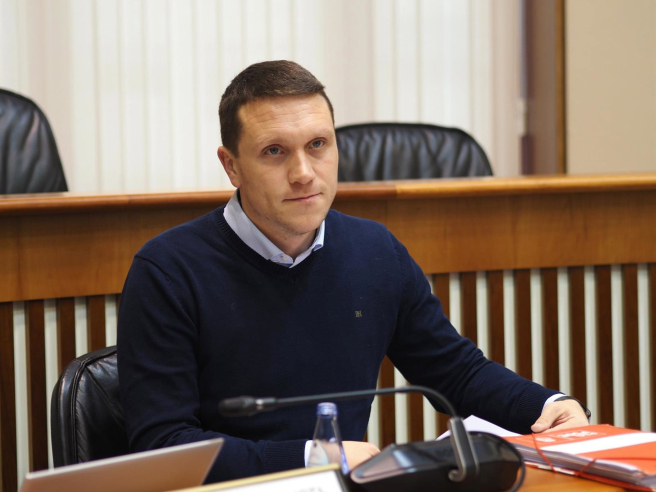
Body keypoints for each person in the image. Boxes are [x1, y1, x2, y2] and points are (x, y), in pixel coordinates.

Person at [117, 60, 590, 484]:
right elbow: (162, 444)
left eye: (317, 145)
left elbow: (456, 374)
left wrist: (548, 406)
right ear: (232, 166)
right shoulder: (167, 271)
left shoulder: (374, 251)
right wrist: (313, 457)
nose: (304, 172)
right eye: (275, 151)